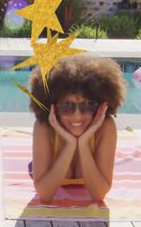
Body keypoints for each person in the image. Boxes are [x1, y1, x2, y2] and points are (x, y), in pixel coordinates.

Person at [28, 54, 127, 204]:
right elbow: (45, 196)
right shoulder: (44, 127)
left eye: (87, 105)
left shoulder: (105, 127)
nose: (77, 116)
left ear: (100, 105)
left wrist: (83, 143)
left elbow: (98, 195)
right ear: (52, 106)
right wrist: (70, 144)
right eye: (67, 106)